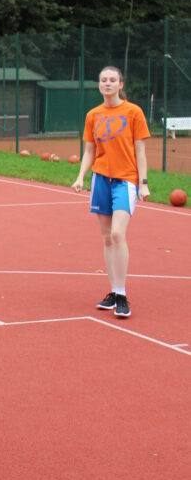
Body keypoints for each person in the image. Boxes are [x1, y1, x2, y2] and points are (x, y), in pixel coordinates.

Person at [71, 65, 150, 319]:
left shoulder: (133, 112)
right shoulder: (93, 115)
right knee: (106, 238)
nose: (107, 83)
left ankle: (123, 294)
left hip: (126, 180)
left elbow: (140, 151)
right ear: (99, 85)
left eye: (112, 80)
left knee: (117, 233)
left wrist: (143, 182)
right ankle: (114, 292)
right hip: (101, 178)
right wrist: (80, 176)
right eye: (103, 80)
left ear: (120, 84)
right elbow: (89, 151)